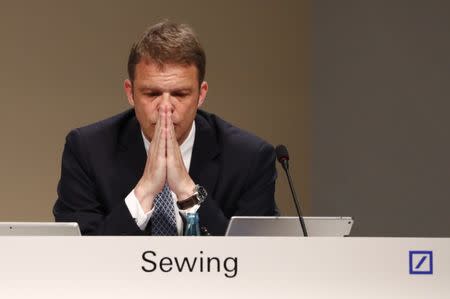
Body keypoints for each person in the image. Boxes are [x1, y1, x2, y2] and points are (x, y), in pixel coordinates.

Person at [53, 21, 277, 235]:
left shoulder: (250, 158)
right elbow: (81, 256)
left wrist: (188, 192)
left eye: (180, 94)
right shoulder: (87, 150)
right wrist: (145, 191)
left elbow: (252, 258)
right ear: (130, 92)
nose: (166, 109)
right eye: (152, 94)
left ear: (201, 94)